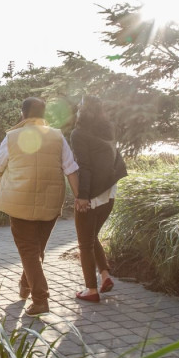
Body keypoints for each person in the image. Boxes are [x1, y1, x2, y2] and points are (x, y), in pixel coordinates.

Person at [0, 97, 79, 317]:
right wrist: (80, 198)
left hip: (20, 203)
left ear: (23, 113)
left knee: (29, 251)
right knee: (36, 250)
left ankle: (40, 300)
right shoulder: (57, 137)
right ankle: (25, 285)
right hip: (51, 204)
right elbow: (71, 168)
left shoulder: (12, 137)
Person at [70, 95, 126, 303]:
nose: (77, 110)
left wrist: (82, 197)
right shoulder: (107, 132)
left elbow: (85, 166)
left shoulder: (78, 134)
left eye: (79, 107)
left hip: (92, 195)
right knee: (92, 236)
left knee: (84, 243)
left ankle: (91, 290)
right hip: (110, 192)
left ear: (83, 112)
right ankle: (105, 275)